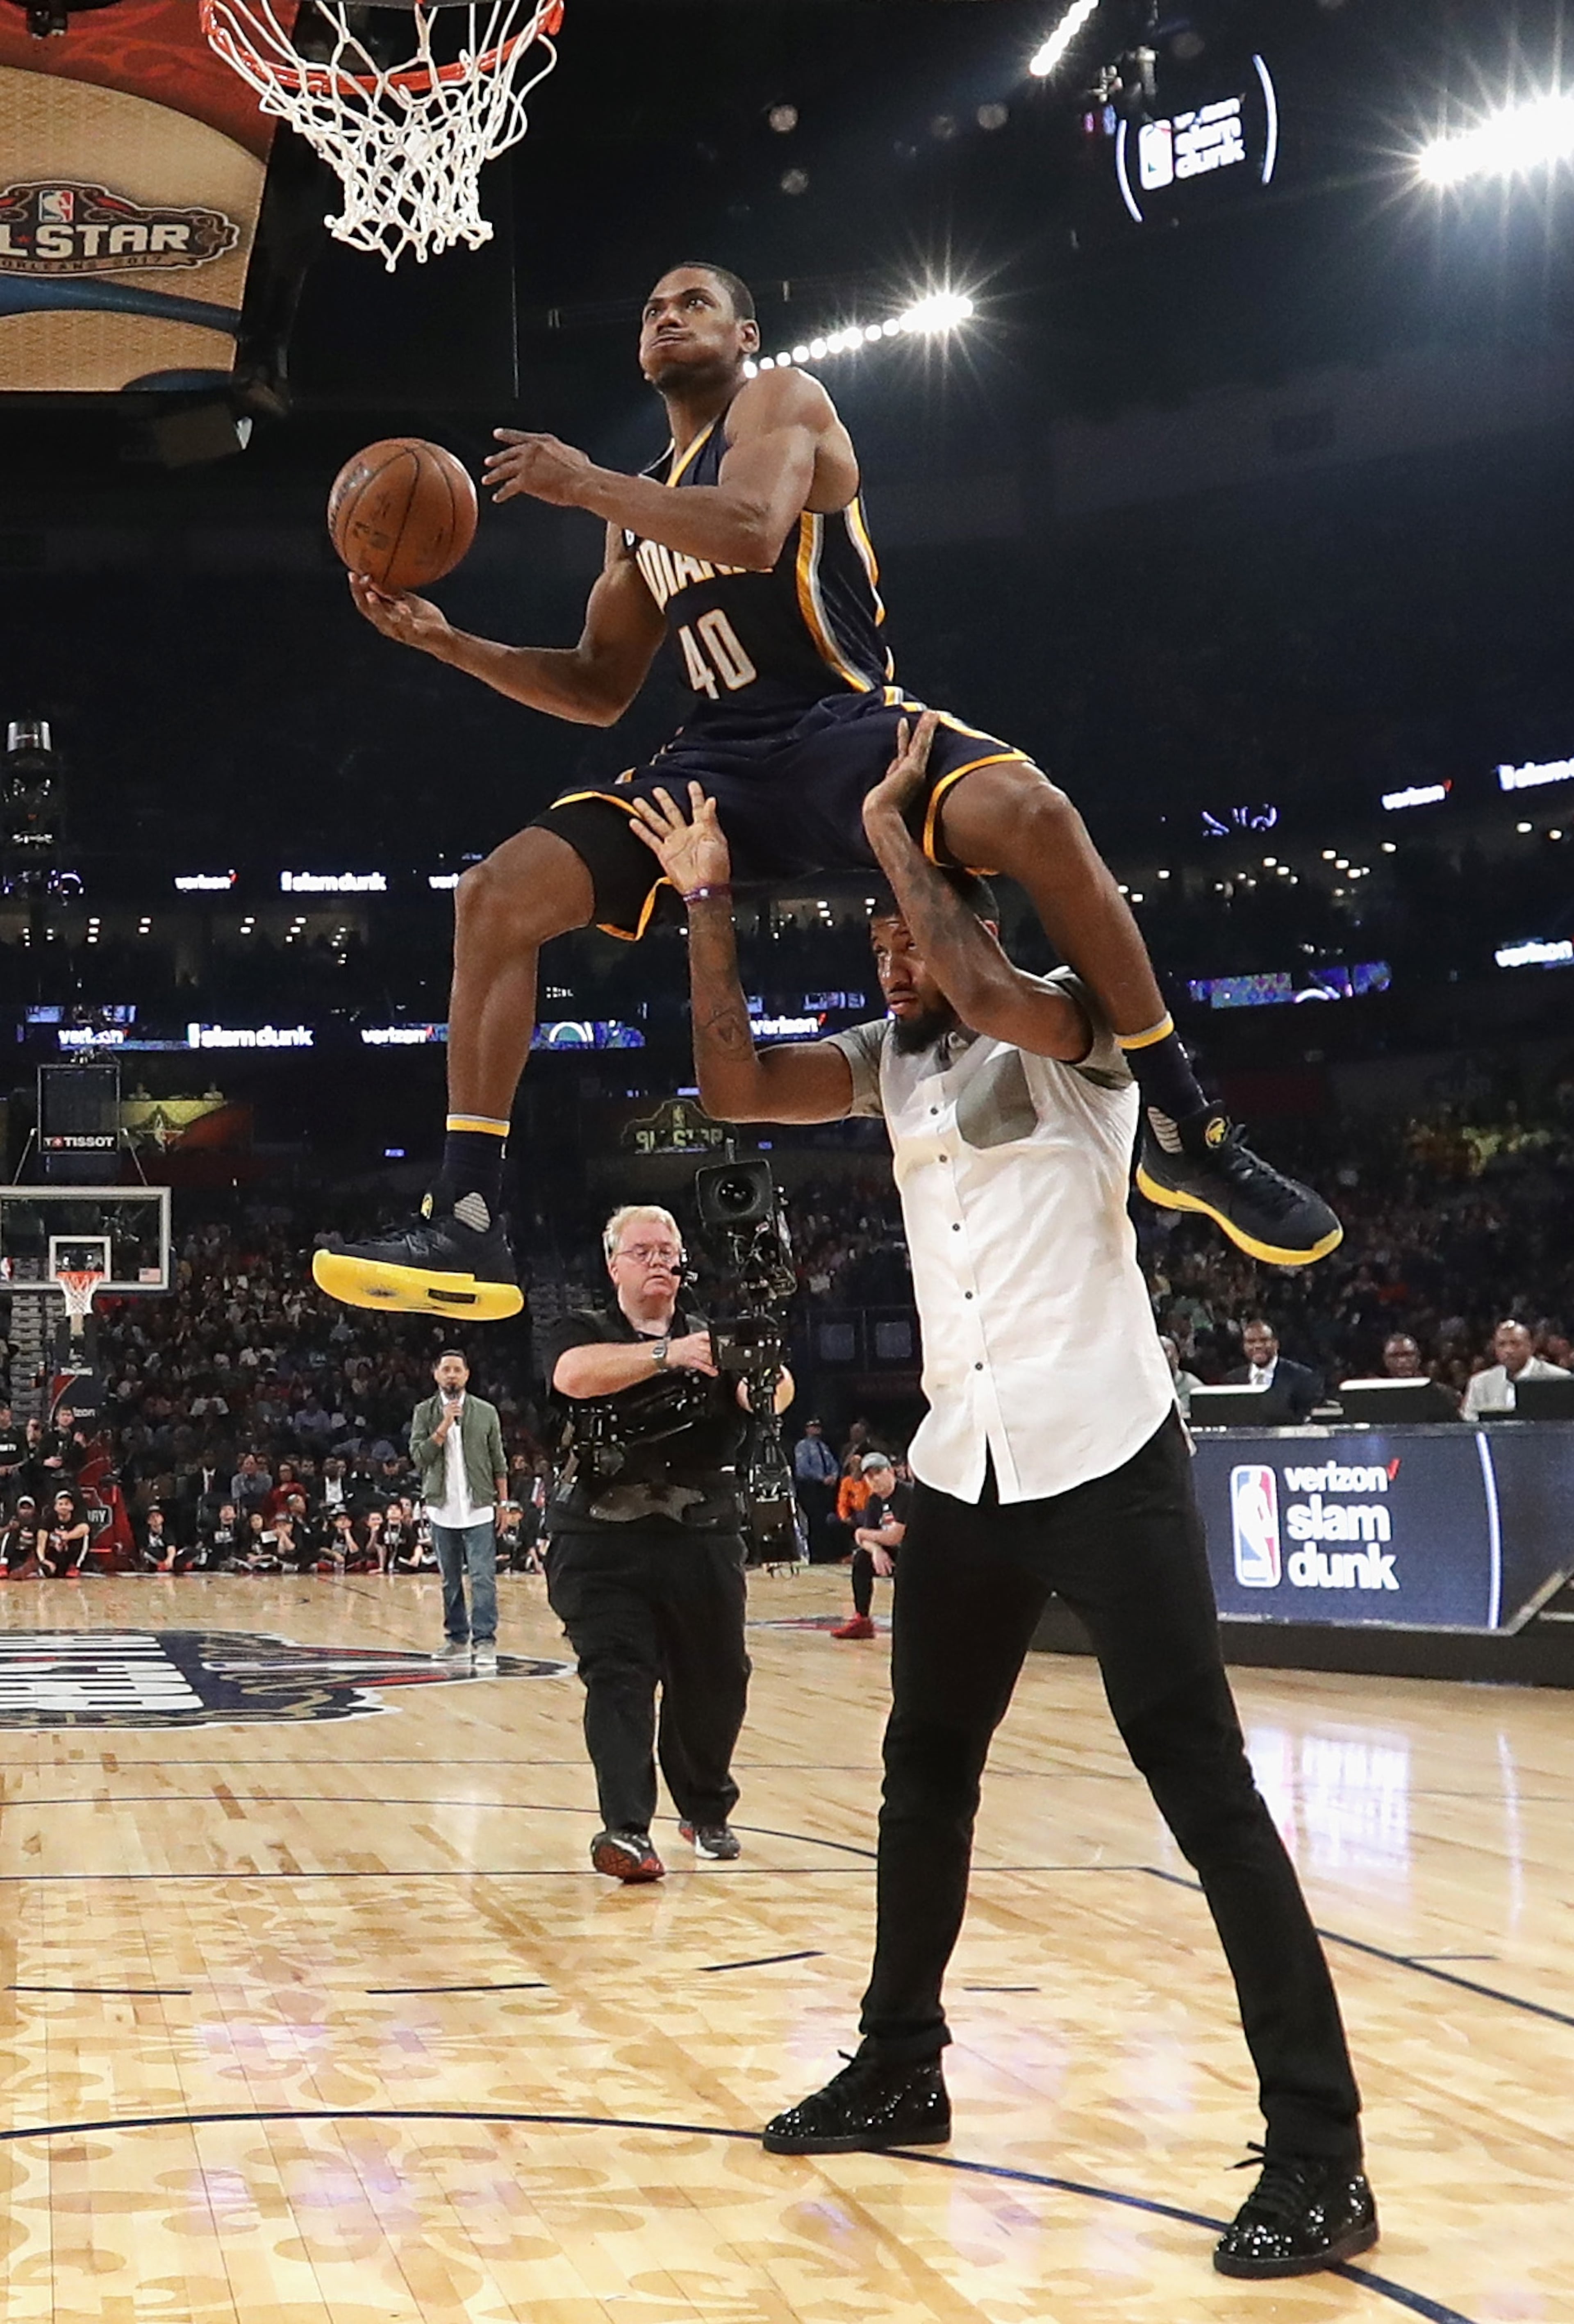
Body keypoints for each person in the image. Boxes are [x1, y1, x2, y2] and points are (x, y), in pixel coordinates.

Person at [633, 719, 1376, 2281]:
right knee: (924, 1772)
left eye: (907, 932)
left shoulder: (1076, 1023)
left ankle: (1323, 2153)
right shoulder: (886, 1056)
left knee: (1206, 1791)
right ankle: (900, 2064)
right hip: (966, 1460)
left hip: (1107, 1451)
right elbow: (731, 1083)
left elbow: (977, 987)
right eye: (874, 943)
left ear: (967, 911)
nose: (891, 957)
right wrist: (707, 899)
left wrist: (892, 826)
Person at [313, 263, 1339, 1325]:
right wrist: (451, 643)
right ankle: (469, 1216)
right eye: (653, 308)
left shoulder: (782, 401)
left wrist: (584, 484)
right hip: (717, 760)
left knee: (1036, 814)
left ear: (746, 334)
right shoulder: (632, 509)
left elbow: (753, 528)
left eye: (694, 303)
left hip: (840, 728)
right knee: (493, 896)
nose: (667, 316)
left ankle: (1184, 1127)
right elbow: (597, 686)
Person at [541, 1202, 790, 1883]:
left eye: (667, 1251)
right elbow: (572, 1376)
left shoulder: (714, 1335)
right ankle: (625, 1829)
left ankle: (705, 1807)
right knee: (619, 1675)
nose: (658, 1261)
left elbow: (774, 1394)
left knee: (717, 1676)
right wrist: (667, 1354)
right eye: (642, 1251)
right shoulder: (582, 1329)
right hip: (599, 1537)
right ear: (613, 1265)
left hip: (702, 1535)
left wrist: (761, 1371)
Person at [409, 1351, 507, 1671]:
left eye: (457, 1370)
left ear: (467, 1374)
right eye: (446, 1369)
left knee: (483, 1578)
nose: (452, 1375)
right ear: (436, 1374)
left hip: (479, 1507)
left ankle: (485, 1641)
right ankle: (456, 1639)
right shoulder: (424, 1412)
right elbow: (419, 1457)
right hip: (442, 1508)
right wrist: (444, 1426)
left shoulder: (486, 1412)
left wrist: (504, 1504)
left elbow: (499, 1461)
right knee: (450, 1580)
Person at [832, 1451, 910, 1640]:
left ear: (891, 1472)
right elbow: (866, 1540)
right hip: (893, 1551)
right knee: (861, 1559)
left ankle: (907, 1623)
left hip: (918, 1552)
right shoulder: (874, 1500)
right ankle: (862, 1620)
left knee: (906, 1563)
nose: (874, 1479)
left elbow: (896, 1536)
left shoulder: (906, 1494)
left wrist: (863, 1533)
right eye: (869, 1476)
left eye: (878, 1473)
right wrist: (876, 1551)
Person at [1462, 1317, 1572, 1420]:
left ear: (1531, 1347)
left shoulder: (1559, 1379)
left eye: (1515, 1344)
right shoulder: (1480, 1383)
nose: (1508, 1350)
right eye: (1502, 1345)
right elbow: (1469, 1423)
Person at [1224, 1319, 1323, 1425]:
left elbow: (1307, 1421)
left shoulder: (1302, 1378)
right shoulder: (1232, 1380)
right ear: (1244, 1347)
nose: (1258, 1346)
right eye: (1251, 1342)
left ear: (1276, 1344)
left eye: (1264, 1340)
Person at [791, 1415, 839, 1560]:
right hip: (810, 1488)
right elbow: (803, 1468)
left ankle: (827, 1553)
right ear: (807, 1429)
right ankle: (816, 1554)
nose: (817, 1429)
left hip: (825, 1489)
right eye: (813, 1427)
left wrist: (834, 1476)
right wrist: (822, 1478)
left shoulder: (824, 1447)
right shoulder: (803, 1446)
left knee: (825, 1521)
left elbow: (833, 1464)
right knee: (814, 1521)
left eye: (818, 1427)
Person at [1160, 1332, 1206, 1419]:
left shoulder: (1193, 1387)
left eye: (1170, 1356)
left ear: (1177, 1358)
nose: (1167, 1359)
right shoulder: (1147, 1385)